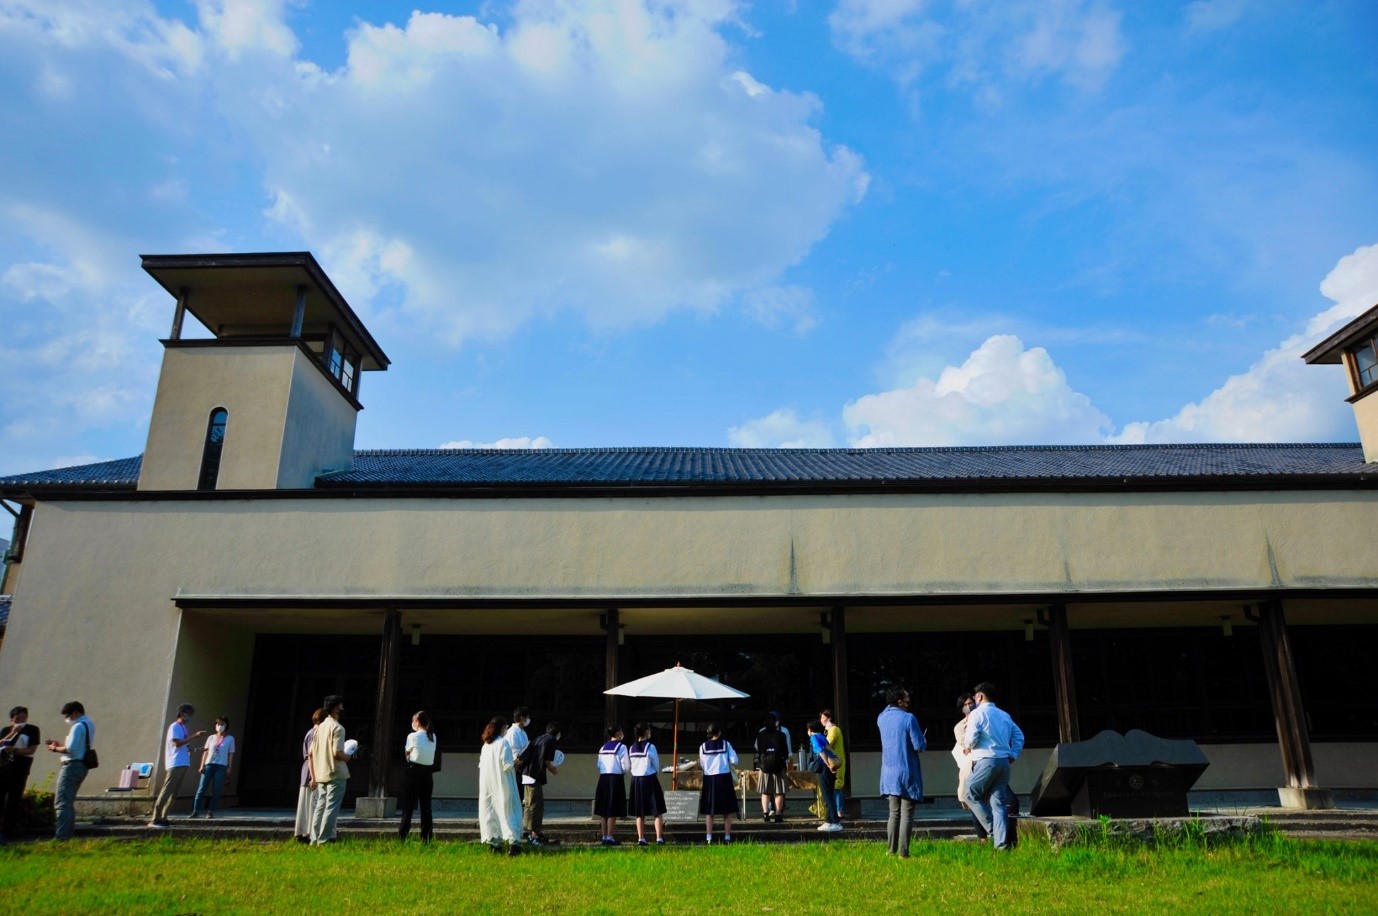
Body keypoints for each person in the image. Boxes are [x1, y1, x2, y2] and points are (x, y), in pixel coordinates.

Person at [962, 681, 1025, 851]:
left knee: (969, 793)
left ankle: (994, 832)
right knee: (998, 803)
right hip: (1004, 762)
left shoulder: (977, 714)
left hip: (985, 760)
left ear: (980, 696)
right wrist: (1013, 754)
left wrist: (967, 745)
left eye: (975, 697)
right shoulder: (1004, 715)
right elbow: (1019, 736)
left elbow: (971, 738)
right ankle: (1001, 845)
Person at [877, 685, 926, 857]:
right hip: (906, 770)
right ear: (900, 702)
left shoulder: (881, 718)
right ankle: (903, 852)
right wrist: (923, 740)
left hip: (888, 772)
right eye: (906, 700)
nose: (908, 703)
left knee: (893, 813)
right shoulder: (908, 718)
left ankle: (890, 850)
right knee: (906, 814)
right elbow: (918, 745)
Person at [149, 703, 206, 828]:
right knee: (167, 790)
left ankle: (164, 817)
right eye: (189, 714)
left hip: (183, 762)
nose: (190, 717)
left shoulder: (184, 728)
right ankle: (155, 819)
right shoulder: (174, 726)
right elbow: (177, 744)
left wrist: (197, 750)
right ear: (182, 713)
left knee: (174, 793)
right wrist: (195, 736)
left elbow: (185, 747)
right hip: (175, 763)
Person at [45, 700, 94, 841]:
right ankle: (67, 834)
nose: (68, 719)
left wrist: (55, 748)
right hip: (82, 765)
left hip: (71, 766)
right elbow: (79, 747)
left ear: (76, 713)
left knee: (62, 802)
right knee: (68, 802)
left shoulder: (77, 726)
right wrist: (60, 745)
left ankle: (61, 836)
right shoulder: (88, 724)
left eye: (68, 716)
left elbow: (70, 750)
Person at [309, 695, 351, 845]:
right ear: (335, 708)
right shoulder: (338, 728)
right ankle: (323, 840)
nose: (343, 708)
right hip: (335, 772)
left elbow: (311, 752)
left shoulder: (319, 728)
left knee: (320, 806)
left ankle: (314, 839)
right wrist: (348, 757)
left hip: (321, 772)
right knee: (331, 808)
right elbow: (337, 753)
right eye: (341, 705)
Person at [478, 716, 523, 855]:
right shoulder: (503, 743)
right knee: (510, 811)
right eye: (505, 727)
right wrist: (517, 762)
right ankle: (513, 844)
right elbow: (507, 765)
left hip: (488, 786)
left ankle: (494, 844)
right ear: (502, 728)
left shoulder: (486, 745)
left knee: (492, 812)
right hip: (503, 783)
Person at [0, 706, 40, 843]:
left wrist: (15, 750)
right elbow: (1, 745)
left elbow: (31, 749)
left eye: (24, 718)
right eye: (18, 718)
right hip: (3, 770)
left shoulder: (32, 730)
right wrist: (12, 733)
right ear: (12, 720)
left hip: (20, 770)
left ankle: (7, 833)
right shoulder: (6, 730)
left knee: (13, 802)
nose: (21, 720)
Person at [951, 693, 987, 840]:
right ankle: (982, 837)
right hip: (969, 765)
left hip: (985, 762)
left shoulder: (983, 719)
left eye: (971, 703)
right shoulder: (959, 726)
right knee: (974, 801)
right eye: (965, 704)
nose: (969, 706)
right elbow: (964, 743)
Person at [398, 710, 437, 842]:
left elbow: (407, 755)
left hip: (414, 772)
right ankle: (426, 837)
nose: (412, 723)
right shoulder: (433, 736)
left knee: (408, 807)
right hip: (427, 774)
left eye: (413, 720)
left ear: (417, 722)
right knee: (426, 807)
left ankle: (403, 836)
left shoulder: (412, 736)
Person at [697, 722, 739, 844]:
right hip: (724, 778)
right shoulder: (726, 744)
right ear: (719, 733)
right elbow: (734, 760)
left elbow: (702, 764)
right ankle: (727, 837)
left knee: (709, 811)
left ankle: (709, 837)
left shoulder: (703, 746)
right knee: (727, 810)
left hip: (709, 779)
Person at [523, 721, 562, 846]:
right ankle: (533, 835)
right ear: (557, 733)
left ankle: (532, 833)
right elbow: (547, 761)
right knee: (536, 805)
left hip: (527, 774)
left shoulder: (539, 738)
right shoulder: (551, 740)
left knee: (530, 805)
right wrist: (554, 770)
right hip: (534, 776)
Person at [627, 722, 666, 846]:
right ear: (645, 732)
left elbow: (630, 765)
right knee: (657, 810)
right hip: (649, 779)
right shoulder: (650, 747)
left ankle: (641, 838)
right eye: (649, 730)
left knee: (640, 811)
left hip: (636, 781)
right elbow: (656, 764)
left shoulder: (632, 747)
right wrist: (655, 771)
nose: (650, 732)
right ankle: (659, 838)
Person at [189, 715, 235, 818]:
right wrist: (202, 765)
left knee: (216, 789)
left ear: (226, 725)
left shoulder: (230, 738)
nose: (220, 726)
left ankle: (210, 811)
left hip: (221, 765)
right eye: (218, 724)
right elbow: (205, 752)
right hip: (209, 764)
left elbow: (231, 753)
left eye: (222, 724)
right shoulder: (211, 737)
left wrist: (229, 766)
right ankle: (195, 811)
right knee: (202, 788)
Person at [594, 725, 629, 845]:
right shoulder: (622, 747)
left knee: (604, 809)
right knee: (613, 808)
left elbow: (599, 764)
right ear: (618, 733)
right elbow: (626, 766)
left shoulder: (603, 747)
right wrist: (623, 771)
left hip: (603, 778)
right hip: (615, 778)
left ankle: (604, 836)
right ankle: (610, 836)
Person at [294, 708, 324, 843]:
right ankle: (307, 831)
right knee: (311, 802)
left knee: (308, 802)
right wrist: (314, 777)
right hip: (312, 770)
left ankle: (304, 831)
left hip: (310, 768)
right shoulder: (315, 733)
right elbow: (311, 756)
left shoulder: (310, 732)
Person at [807, 720, 842, 832]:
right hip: (832, 767)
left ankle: (835, 821)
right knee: (830, 794)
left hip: (825, 768)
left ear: (810, 730)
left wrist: (828, 764)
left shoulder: (813, 737)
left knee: (827, 795)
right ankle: (829, 820)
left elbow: (820, 751)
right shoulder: (822, 736)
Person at [754, 715, 789, 823]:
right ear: (775, 723)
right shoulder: (781, 734)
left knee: (765, 791)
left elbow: (759, 750)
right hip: (778, 766)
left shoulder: (761, 735)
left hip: (764, 767)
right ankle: (778, 814)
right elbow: (785, 752)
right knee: (779, 792)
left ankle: (765, 814)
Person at [505, 706, 532, 838]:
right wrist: (520, 760)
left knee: (523, 799)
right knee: (516, 799)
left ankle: (521, 827)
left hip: (524, 768)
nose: (528, 720)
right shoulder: (512, 732)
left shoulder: (523, 732)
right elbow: (515, 753)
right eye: (527, 718)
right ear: (522, 718)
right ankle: (515, 828)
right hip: (517, 769)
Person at [820, 708, 847, 820]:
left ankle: (839, 811)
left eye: (823, 717)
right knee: (835, 786)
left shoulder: (833, 729)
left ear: (829, 718)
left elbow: (828, 743)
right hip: (834, 761)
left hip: (836, 762)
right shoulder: (830, 730)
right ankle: (837, 810)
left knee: (837, 786)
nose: (821, 720)